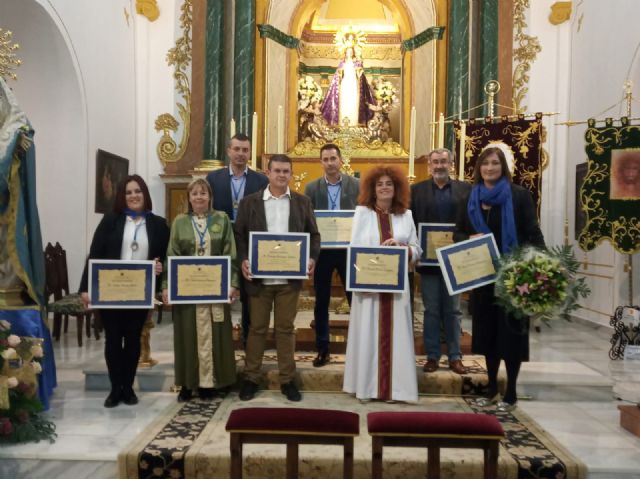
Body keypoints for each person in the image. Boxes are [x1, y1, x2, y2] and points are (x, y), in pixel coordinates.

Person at [454, 147, 545, 412]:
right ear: (479, 167)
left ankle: (511, 393)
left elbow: (532, 232)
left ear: (502, 166)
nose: (490, 168)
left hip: (514, 277)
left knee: (512, 337)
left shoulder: (518, 196)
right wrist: (466, 239)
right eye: (485, 163)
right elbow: (457, 233)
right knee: (488, 336)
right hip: (482, 277)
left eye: (495, 163)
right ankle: (492, 388)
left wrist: (543, 264)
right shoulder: (469, 198)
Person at [234, 154, 321, 402]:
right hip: (259, 279)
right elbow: (239, 235)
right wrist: (243, 260)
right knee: (257, 329)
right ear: (268, 173)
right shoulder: (250, 202)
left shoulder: (302, 202)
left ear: (291, 175)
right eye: (277, 171)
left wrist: (312, 258)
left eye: (286, 171)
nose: (282, 175)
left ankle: (287, 380)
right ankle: (251, 378)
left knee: (285, 329)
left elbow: (314, 235)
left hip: (289, 280)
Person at [80, 175, 170, 408]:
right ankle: (114, 388)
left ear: (145, 195)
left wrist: (161, 268)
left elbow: (164, 258)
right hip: (111, 290)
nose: (133, 196)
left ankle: (128, 387)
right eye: (129, 192)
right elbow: (95, 254)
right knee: (112, 339)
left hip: (139, 293)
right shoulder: (111, 220)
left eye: (138, 191)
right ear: (123, 196)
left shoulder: (158, 224)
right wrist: (85, 289)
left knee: (132, 340)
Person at [343, 165, 421, 403]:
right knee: (367, 331)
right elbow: (354, 250)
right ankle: (366, 387)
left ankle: (396, 390)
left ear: (396, 188)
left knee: (397, 334)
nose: (385, 188)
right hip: (368, 287)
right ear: (372, 189)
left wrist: (402, 249)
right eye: (380, 184)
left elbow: (417, 250)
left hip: (396, 288)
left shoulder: (405, 215)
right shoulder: (362, 213)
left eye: (389, 184)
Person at [161, 178, 240, 402]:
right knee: (186, 335)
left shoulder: (222, 219)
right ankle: (187, 383)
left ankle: (212, 383)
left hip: (215, 289)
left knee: (216, 334)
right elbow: (171, 254)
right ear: (189, 198)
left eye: (203, 193)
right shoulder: (179, 222)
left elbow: (231, 253)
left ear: (210, 196)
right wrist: (167, 286)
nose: (199, 197)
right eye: (194, 193)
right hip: (187, 291)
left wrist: (233, 283)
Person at [410, 149, 471, 375]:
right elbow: (411, 224)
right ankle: (433, 355)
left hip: (456, 260)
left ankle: (455, 356)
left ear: (451, 164)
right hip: (428, 263)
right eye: (435, 162)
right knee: (432, 310)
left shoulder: (466, 190)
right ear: (429, 165)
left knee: (453, 310)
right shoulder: (416, 191)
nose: (439, 166)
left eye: (443, 161)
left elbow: (470, 221)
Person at [206, 133, 269, 347]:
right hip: (221, 241)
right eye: (237, 149)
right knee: (221, 288)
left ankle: (248, 337)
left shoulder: (261, 180)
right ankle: (219, 339)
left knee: (250, 292)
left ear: (249, 153)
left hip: (250, 242)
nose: (241, 154)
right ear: (228, 151)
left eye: (245, 150)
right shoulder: (213, 179)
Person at [304, 143, 359, 367]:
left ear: (341, 160)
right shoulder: (311, 188)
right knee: (321, 301)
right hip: (323, 252)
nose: (329, 163)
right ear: (321, 163)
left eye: (333, 158)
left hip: (349, 250)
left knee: (355, 298)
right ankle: (322, 348)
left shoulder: (356, 185)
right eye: (325, 159)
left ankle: (358, 347)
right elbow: (308, 221)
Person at [320, 40, 375, 126]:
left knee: (353, 102)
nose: (349, 53)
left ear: (353, 52)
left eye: (351, 51)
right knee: (344, 101)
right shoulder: (342, 63)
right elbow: (338, 76)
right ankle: (342, 124)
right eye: (347, 51)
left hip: (353, 84)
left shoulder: (356, 63)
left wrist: (360, 66)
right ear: (345, 53)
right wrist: (339, 76)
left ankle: (354, 123)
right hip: (345, 84)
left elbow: (360, 74)